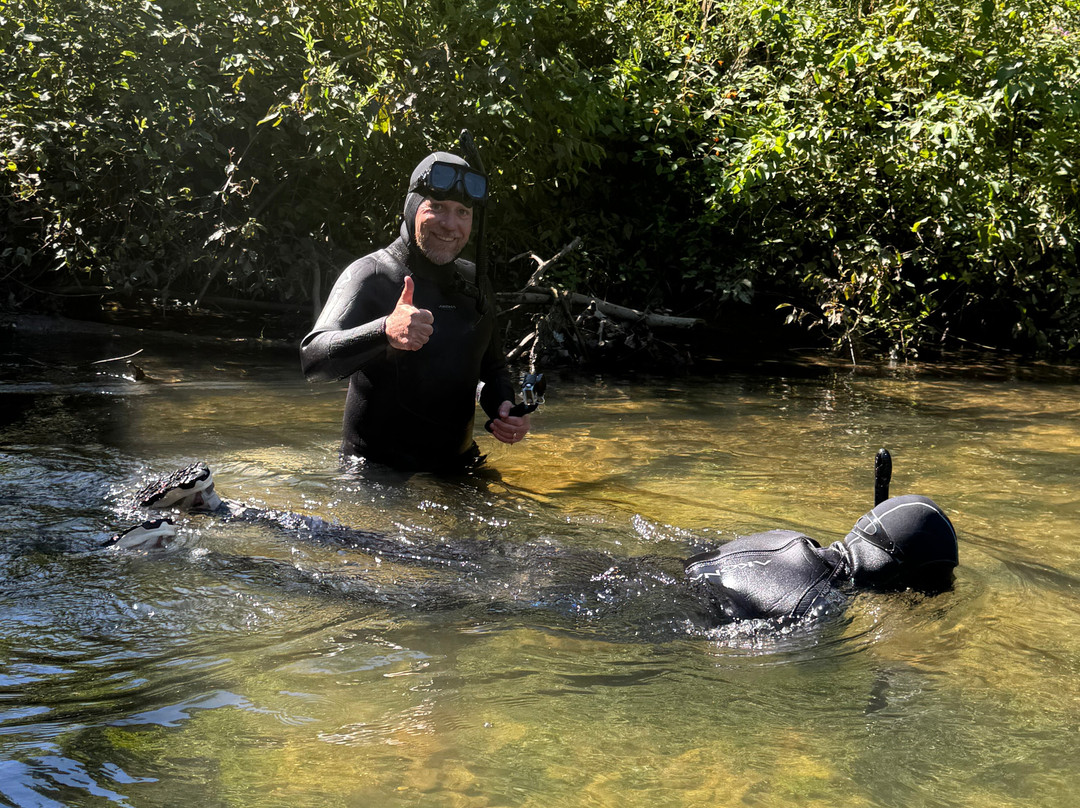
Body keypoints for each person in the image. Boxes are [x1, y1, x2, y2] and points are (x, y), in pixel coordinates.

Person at [110, 462, 959, 628]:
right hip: (614, 598)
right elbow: (738, 644)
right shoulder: (821, 606)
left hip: (612, 562)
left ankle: (225, 516)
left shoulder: (789, 538)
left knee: (408, 556)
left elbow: (712, 554)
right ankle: (201, 552)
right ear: (910, 582)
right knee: (398, 601)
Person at [300, 151, 530, 472]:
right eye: (436, 207)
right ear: (412, 207)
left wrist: (503, 407)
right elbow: (312, 359)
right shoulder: (372, 275)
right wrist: (384, 331)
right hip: (375, 473)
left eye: (462, 212)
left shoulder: (475, 282)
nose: (451, 225)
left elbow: (492, 369)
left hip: (459, 467)